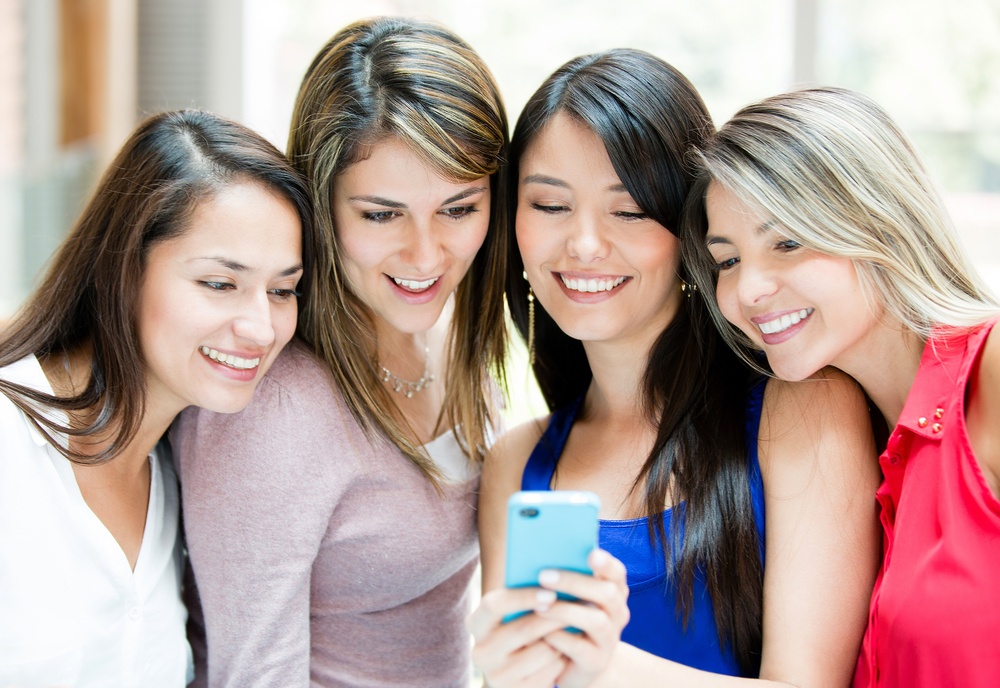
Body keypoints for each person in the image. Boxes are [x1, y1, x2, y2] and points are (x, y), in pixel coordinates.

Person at [467, 50, 882, 687]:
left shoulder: (804, 408)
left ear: (691, 229)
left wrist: (601, 665)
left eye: (628, 210)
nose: (583, 244)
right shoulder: (514, 464)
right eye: (550, 206)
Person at [171, 16, 509, 687]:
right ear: (321, 208)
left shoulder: (449, 346)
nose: (425, 254)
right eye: (381, 215)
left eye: (459, 208)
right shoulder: (275, 408)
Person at [683, 86, 1000, 688]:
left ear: (878, 220)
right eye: (727, 261)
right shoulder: (868, 456)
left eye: (787, 242)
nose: (748, 291)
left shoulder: (990, 370)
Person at [0, 109, 311, 687]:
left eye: (282, 290)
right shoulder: (9, 445)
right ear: (124, 267)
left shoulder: (176, 475)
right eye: (220, 284)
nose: (262, 328)